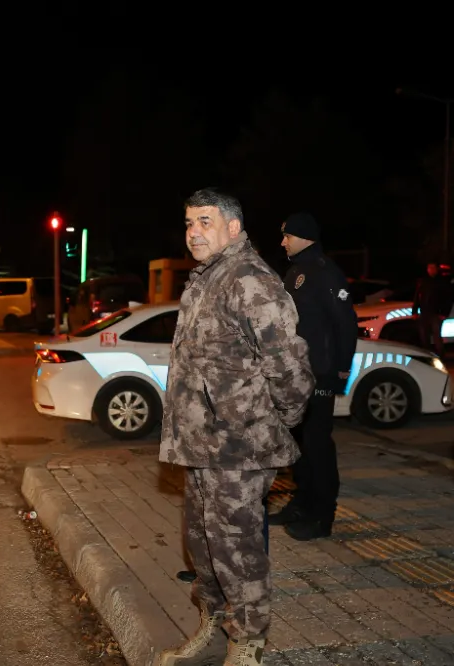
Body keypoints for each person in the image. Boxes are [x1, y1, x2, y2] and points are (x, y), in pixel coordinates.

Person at [158, 189, 314, 666]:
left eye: (204, 221)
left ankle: (248, 643)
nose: (192, 231)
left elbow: (289, 367)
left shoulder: (249, 280)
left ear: (232, 227)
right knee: (203, 548)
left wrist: (273, 422)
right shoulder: (208, 279)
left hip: (239, 447)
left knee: (238, 551)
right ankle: (213, 624)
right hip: (202, 444)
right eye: (188, 222)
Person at [271, 213, 358, 541]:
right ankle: (303, 503)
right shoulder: (295, 271)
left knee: (318, 446)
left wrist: (340, 371)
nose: (283, 242)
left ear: (305, 237)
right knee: (298, 445)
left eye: (287, 236)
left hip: (319, 373)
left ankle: (323, 516)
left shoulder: (325, 272)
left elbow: (345, 325)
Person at [412, 263, 452, 357]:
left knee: (436, 336)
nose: (431, 270)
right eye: (429, 268)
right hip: (424, 313)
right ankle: (427, 355)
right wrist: (414, 311)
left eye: (433, 268)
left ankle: (441, 356)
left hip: (436, 314)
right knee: (424, 336)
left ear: (436, 269)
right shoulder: (423, 281)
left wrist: (444, 313)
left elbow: (448, 299)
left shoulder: (442, 282)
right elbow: (417, 297)